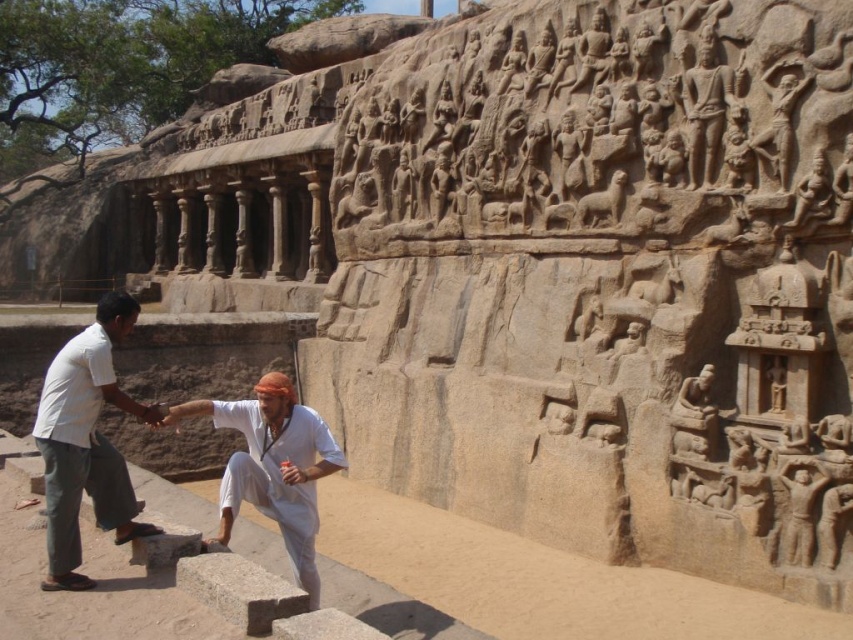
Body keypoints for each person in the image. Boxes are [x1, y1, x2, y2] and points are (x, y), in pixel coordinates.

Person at [161, 372, 347, 610]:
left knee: (304, 567)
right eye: (260, 398)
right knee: (238, 461)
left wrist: (305, 474)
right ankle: (223, 536)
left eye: (269, 399)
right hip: (263, 489)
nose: (262, 405)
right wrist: (176, 412)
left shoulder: (309, 419)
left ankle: (313, 612)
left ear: (286, 399)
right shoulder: (252, 411)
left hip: (297, 503)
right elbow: (211, 406)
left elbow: (337, 459)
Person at [32, 291, 167, 592]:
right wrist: (147, 413)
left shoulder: (93, 340)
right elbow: (112, 394)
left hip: (79, 431)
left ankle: (124, 526)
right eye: (131, 324)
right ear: (118, 321)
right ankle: (58, 574)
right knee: (64, 503)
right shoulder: (96, 346)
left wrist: (145, 411)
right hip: (62, 434)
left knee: (110, 463)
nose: (131, 331)